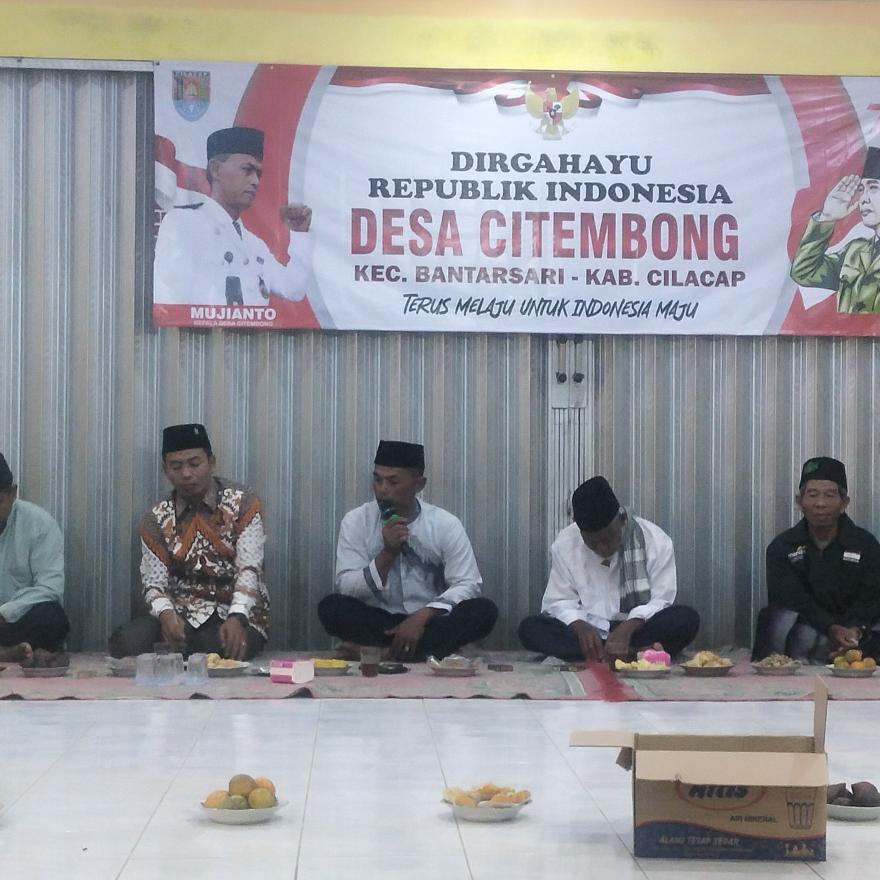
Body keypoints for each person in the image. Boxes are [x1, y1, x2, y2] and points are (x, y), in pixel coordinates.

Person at [318, 440, 498, 661]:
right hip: (381, 621)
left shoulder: (445, 524)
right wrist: (388, 554)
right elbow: (347, 587)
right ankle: (424, 651)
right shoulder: (356, 521)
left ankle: (382, 653)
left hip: (429, 621)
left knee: (483, 611)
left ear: (419, 484)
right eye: (377, 480)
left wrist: (423, 616)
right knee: (331, 607)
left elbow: (468, 583)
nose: (383, 489)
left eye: (393, 481)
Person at [108, 424, 268, 660]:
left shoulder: (244, 503)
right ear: (165, 470)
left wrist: (238, 616)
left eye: (194, 464)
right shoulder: (156, 518)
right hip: (181, 614)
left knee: (214, 647)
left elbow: (250, 569)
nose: (186, 474)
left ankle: (186, 652)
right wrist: (166, 616)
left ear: (211, 462)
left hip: (236, 613)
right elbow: (153, 584)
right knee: (126, 642)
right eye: (176, 466)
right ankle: (182, 649)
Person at [518, 476, 699, 664]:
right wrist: (579, 625)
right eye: (592, 542)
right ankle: (632, 653)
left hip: (638, 631)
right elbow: (559, 601)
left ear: (621, 519)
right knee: (530, 629)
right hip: (590, 635)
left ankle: (617, 651)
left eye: (608, 539)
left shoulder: (656, 541)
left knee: (686, 619)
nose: (601, 548)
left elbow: (661, 601)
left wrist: (631, 624)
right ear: (580, 532)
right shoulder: (565, 544)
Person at [154, 126, 314, 306]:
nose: (255, 181)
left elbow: (293, 289)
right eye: (247, 170)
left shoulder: (254, 244)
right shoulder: (184, 224)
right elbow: (170, 301)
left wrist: (300, 234)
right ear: (215, 170)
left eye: (258, 174)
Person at [752, 456, 880, 663]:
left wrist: (854, 629)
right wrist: (831, 628)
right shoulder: (782, 547)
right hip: (810, 628)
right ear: (799, 502)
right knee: (775, 619)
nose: (821, 503)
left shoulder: (866, 544)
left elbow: (871, 599)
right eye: (812, 495)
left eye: (830, 495)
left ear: (844, 503)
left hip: (857, 632)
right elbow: (791, 600)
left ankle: (844, 653)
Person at [790, 146, 880, 312]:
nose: (864, 199)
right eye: (861, 190)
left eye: (873, 187)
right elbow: (803, 272)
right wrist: (827, 218)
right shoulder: (855, 251)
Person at [0, 453, 69, 664]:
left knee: (53, 617)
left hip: (13, 623)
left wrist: (5, 613)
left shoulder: (39, 524)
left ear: (13, 493)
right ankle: (5, 653)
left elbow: (49, 589)